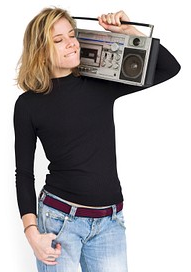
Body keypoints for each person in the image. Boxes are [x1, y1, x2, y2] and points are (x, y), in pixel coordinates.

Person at [13, 6, 180, 272]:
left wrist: (128, 32)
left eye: (72, 35)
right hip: (59, 221)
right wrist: (31, 233)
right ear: (40, 50)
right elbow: (23, 173)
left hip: (110, 223)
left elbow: (170, 67)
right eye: (59, 40)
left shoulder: (100, 83)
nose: (71, 44)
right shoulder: (28, 105)